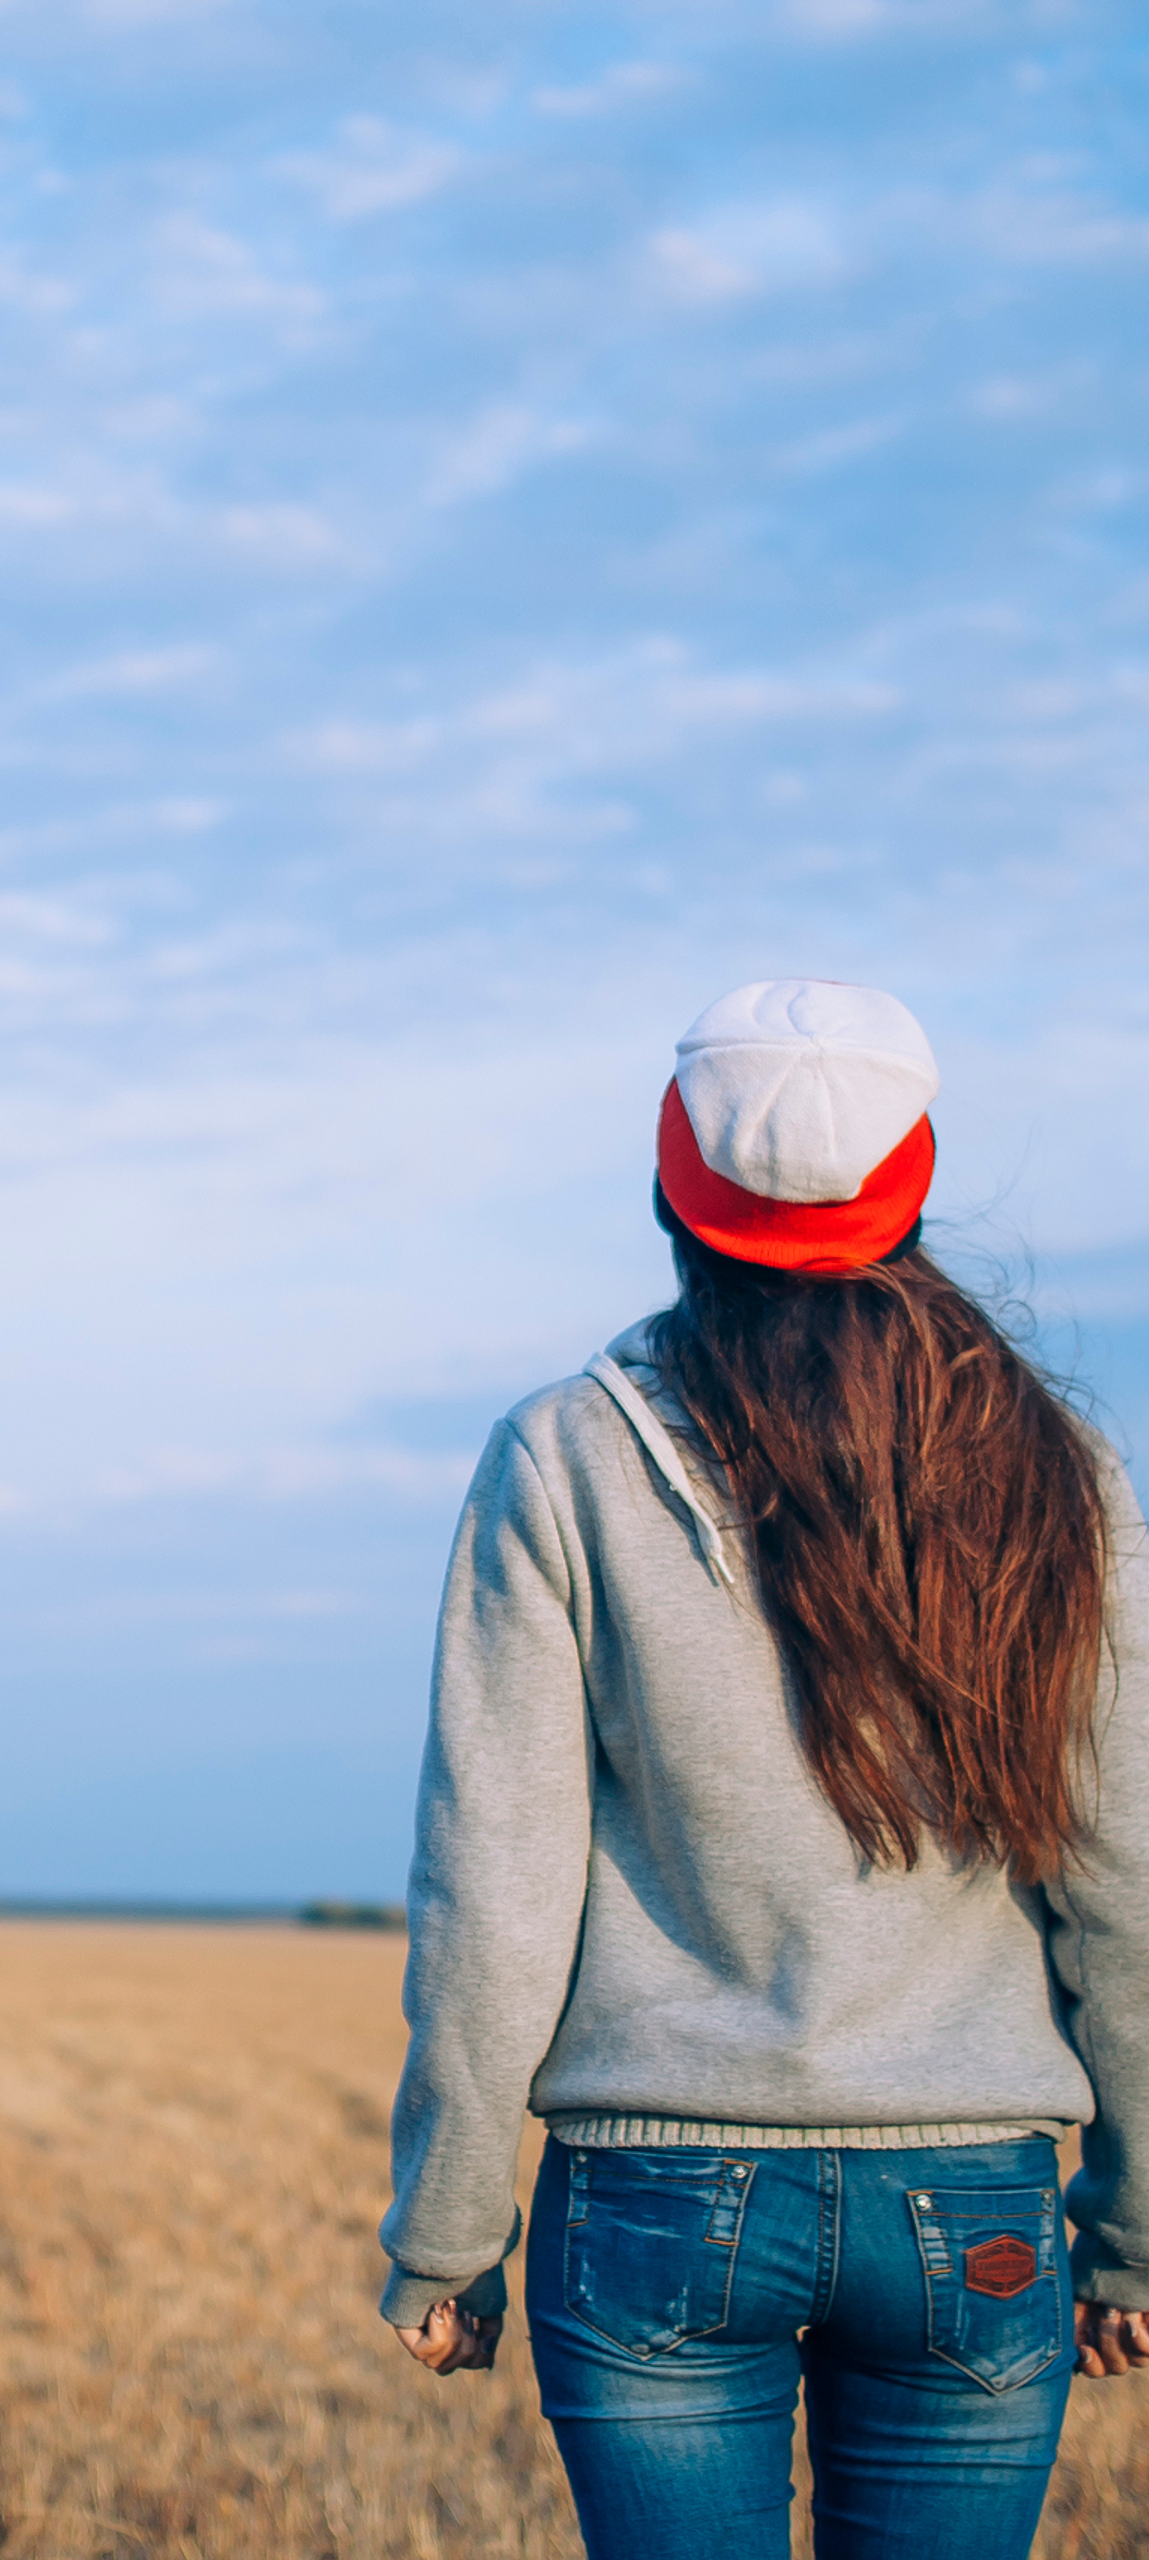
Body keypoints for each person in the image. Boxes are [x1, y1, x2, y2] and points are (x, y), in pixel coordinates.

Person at [379, 979, 1149, 2560]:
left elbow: (497, 1883)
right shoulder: (1062, 1472)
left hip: (655, 2201)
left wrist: (449, 2230)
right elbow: (1126, 1875)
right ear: (913, 1185)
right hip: (977, 2211)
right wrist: (1136, 2233)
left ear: (671, 1185)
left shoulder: (561, 1456)